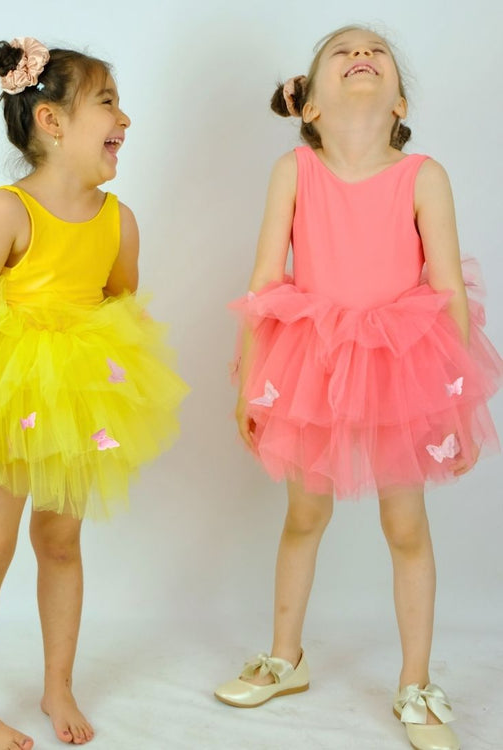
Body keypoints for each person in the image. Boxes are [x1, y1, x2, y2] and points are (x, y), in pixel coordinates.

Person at [214, 25, 501, 750]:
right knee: (304, 517)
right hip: (312, 367)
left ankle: (415, 683)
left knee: (404, 526)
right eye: (341, 52)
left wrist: (459, 399)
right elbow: (263, 281)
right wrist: (251, 381)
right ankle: (286, 656)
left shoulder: (423, 175)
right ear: (308, 104)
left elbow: (448, 293)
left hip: (401, 366)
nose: (360, 54)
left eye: (375, 51)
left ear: (399, 98)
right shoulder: (294, 171)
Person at [0, 37, 188, 750]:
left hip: (74, 401)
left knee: (60, 542)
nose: (126, 117)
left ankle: (57, 683)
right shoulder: (7, 210)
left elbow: (118, 300)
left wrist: (125, 368)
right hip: (5, 394)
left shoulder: (118, 220)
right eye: (108, 102)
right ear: (53, 123)